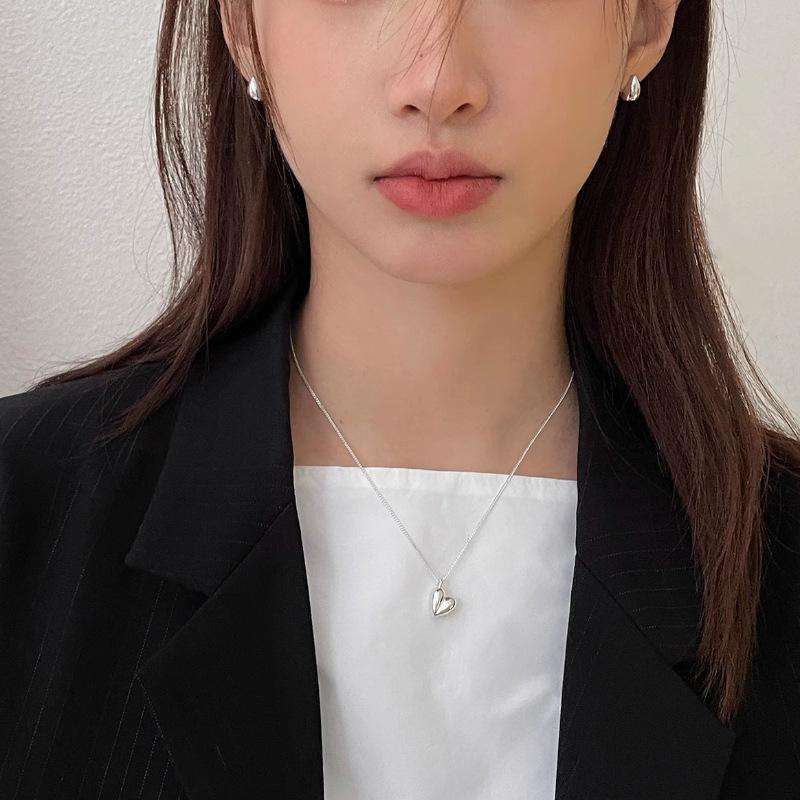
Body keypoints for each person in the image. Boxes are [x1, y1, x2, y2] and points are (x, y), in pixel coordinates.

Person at [1, 1, 799, 798]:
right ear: (241, 23)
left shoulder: (777, 560)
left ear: (648, 20)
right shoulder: (26, 516)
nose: (437, 84)